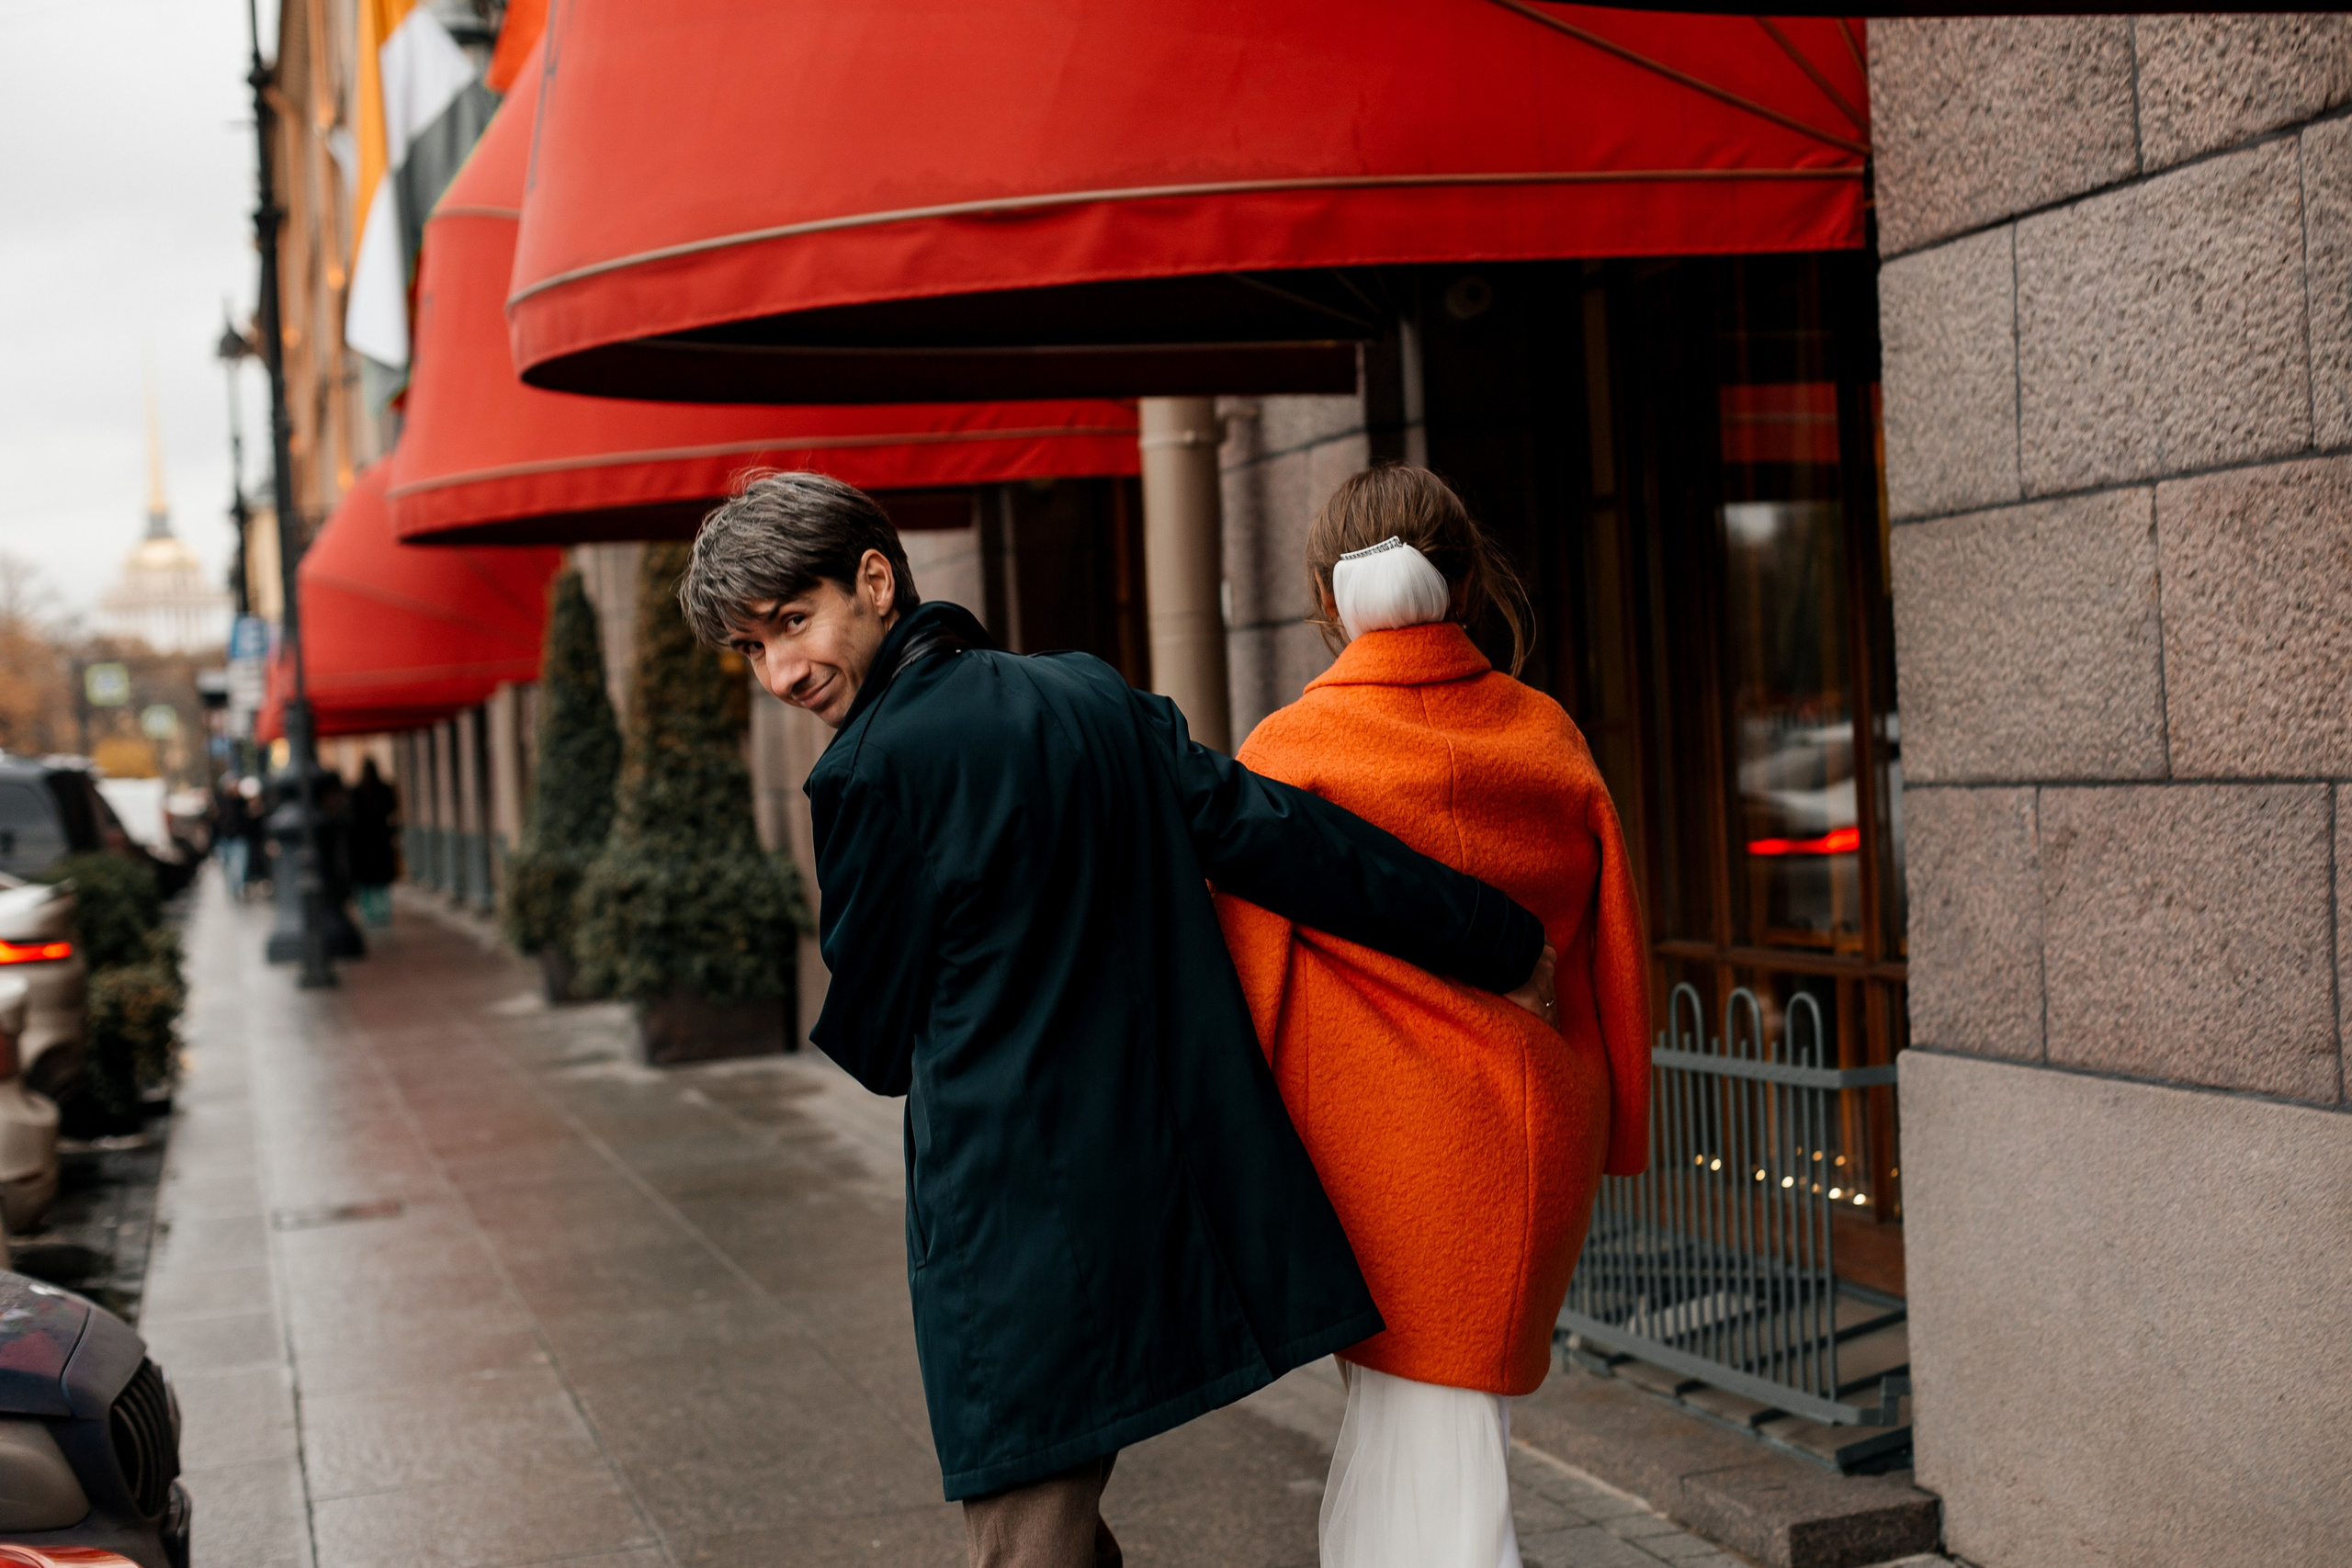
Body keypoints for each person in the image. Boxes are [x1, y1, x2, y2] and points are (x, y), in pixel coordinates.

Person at [680, 471, 1557, 1568]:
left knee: (1018, 1542)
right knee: (1053, 1529)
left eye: (791, 625)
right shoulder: (1088, 696)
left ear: (874, 579)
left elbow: (872, 1038)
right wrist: (1494, 938)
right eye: (752, 650)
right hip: (1158, 1183)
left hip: (1006, 1216)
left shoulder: (866, 774)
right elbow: (1278, 837)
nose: (781, 672)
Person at [1214, 467, 1653, 1568]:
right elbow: (1615, 952)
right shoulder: (1545, 736)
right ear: (1467, 581)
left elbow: (1246, 984)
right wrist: (1622, 1127)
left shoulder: (1291, 755)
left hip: (1369, 1153)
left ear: (1324, 598)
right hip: (1527, 1135)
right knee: (1446, 1447)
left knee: (1424, 1454)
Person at [347, 758, 399, 926]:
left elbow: (352, 819)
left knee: (367, 884)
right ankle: (383, 912)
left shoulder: (356, 792)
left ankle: (370, 914)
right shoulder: (384, 789)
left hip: (363, 844)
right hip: (380, 841)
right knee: (380, 883)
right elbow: (393, 811)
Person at [214, 773, 252, 899]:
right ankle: (233, 889)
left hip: (238, 838)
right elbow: (216, 821)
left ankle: (237, 889)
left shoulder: (240, 802)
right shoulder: (220, 801)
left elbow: (248, 819)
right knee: (228, 866)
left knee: (239, 865)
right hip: (224, 839)